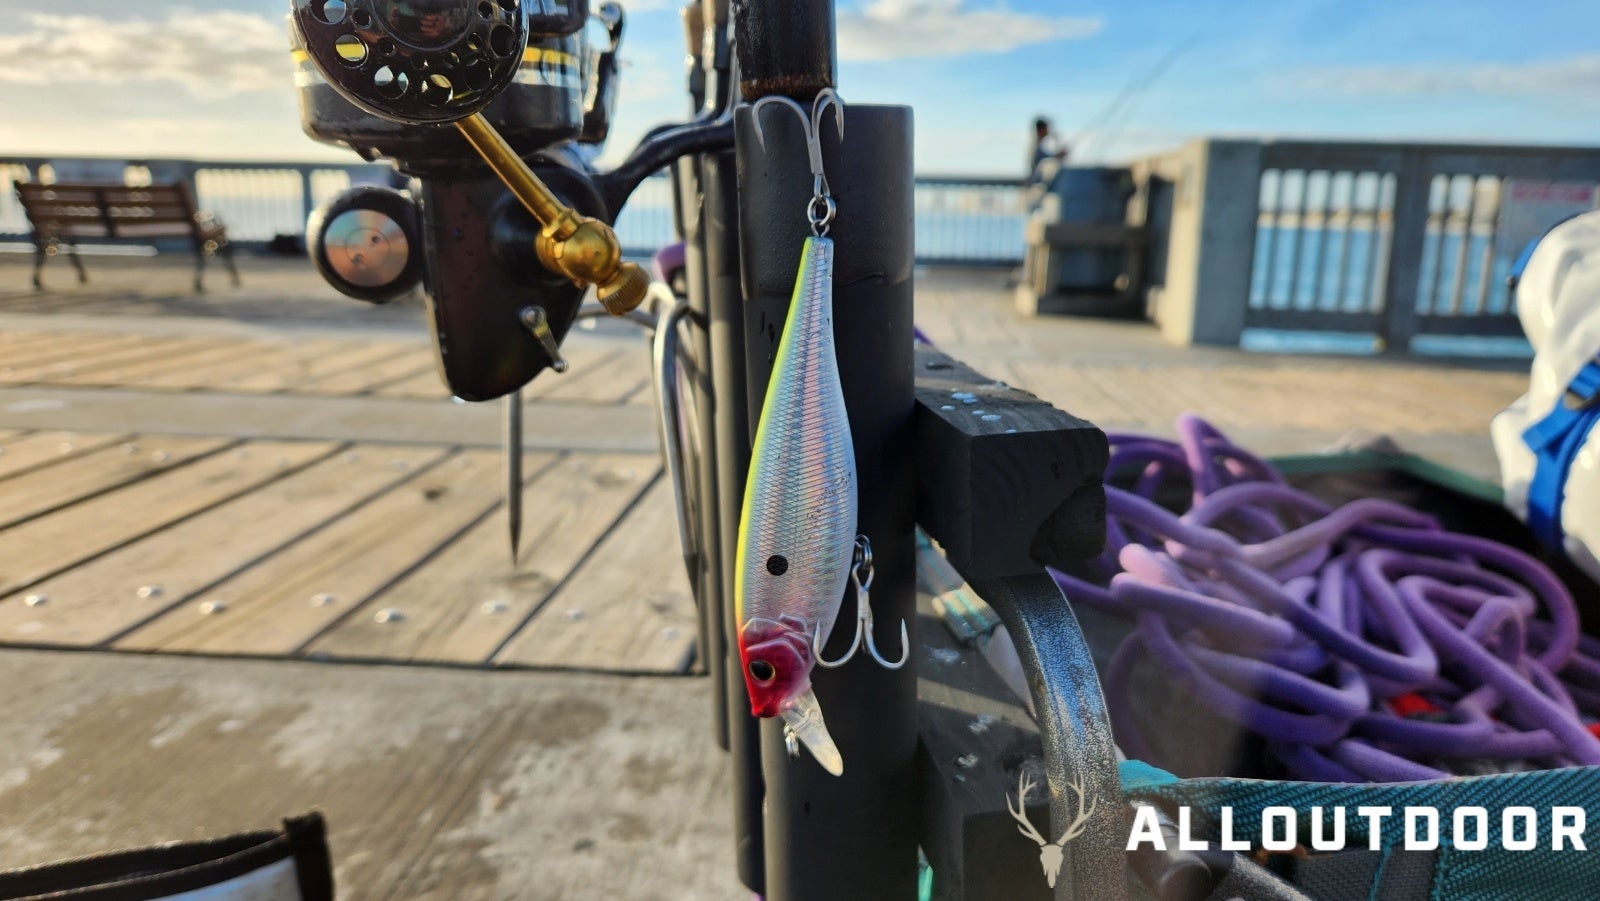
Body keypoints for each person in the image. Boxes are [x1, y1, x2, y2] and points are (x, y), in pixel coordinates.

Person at [1027, 116, 1068, 186]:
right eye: (1046, 128)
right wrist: (1059, 154)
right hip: (1037, 184)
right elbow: (1048, 157)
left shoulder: (1036, 144)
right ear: (1040, 130)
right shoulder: (1036, 147)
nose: (1048, 130)